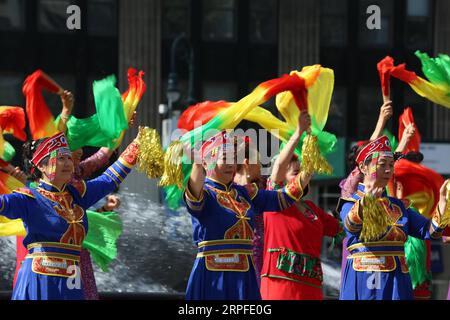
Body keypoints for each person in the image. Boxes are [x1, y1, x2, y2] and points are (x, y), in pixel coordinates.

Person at [0, 131, 140, 300]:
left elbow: (109, 179)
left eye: (68, 158)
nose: (68, 163)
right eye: (60, 158)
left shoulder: (77, 195)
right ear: (41, 166)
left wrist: (136, 146)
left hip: (71, 282)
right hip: (40, 280)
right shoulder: (28, 198)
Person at [183, 129, 307, 300]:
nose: (231, 165)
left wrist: (309, 167)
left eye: (234, 159)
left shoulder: (245, 193)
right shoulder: (205, 194)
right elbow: (194, 189)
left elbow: (283, 198)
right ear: (206, 163)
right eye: (225, 159)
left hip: (244, 275)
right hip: (213, 275)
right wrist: (196, 164)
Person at [337, 135, 449, 300]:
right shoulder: (350, 202)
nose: (388, 170)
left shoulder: (399, 206)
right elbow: (351, 226)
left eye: (391, 165)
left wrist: (443, 205)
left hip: (397, 282)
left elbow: (430, 231)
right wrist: (367, 202)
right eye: (382, 165)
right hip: (365, 279)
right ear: (363, 167)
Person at [260, 110, 343, 300]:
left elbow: (343, 229)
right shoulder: (274, 199)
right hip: (280, 283)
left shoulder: (312, 210)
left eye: (302, 172)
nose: (301, 177)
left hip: (311, 287)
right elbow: (280, 167)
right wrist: (298, 134)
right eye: (294, 173)